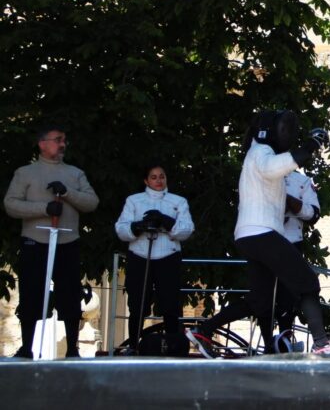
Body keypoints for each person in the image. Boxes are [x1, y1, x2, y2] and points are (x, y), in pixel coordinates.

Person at [188, 109, 330, 356]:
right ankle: (322, 343)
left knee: (259, 301)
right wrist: (309, 146)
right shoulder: (261, 152)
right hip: (261, 234)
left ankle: (204, 330)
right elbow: (274, 167)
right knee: (306, 281)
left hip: (250, 236)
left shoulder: (256, 153)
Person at [186, 169, 320, 356]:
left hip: (290, 242)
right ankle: (268, 343)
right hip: (264, 241)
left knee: (285, 297)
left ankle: (283, 342)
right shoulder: (258, 178)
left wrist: (290, 202)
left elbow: (313, 214)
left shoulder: (302, 181)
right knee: (262, 299)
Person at [4, 124, 99, 358]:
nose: (63, 144)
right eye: (58, 139)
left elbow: (91, 202)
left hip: (67, 241)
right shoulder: (25, 173)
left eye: (64, 139)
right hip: (35, 241)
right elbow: (11, 204)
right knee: (31, 293)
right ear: (42, 143)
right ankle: (26, 347)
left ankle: (72, 348)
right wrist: (43, 208)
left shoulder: (75, 174)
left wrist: (67, 193)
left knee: (69, 294)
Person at [115, 163, 194, 354]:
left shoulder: (178, 201)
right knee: (138, 303)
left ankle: (173, 347)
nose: (159, 180)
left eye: (162, 176)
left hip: (168, 255)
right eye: (154, 177)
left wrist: (167, 222)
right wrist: (138, 226)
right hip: (140, 255)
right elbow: (121, 228)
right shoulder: (134, 201)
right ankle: (133, 346)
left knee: (170, 304)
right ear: (146, 180)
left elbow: (187, 229)